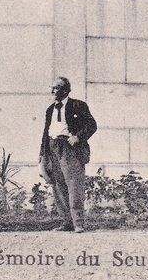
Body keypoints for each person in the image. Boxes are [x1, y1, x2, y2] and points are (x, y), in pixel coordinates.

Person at [40, 76, 97, 233]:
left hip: (70, 148)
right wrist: (42, 154)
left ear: (65, 89)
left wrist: (77, 137)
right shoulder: (50, 109)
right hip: (52, 148)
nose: (52, 91)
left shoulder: (78, 105)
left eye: (56, 88)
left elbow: (92, 125)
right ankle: (67, 223)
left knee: (74, 185)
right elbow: (46, 132)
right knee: (58, 186)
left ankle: (78, 223)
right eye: (52, 88)